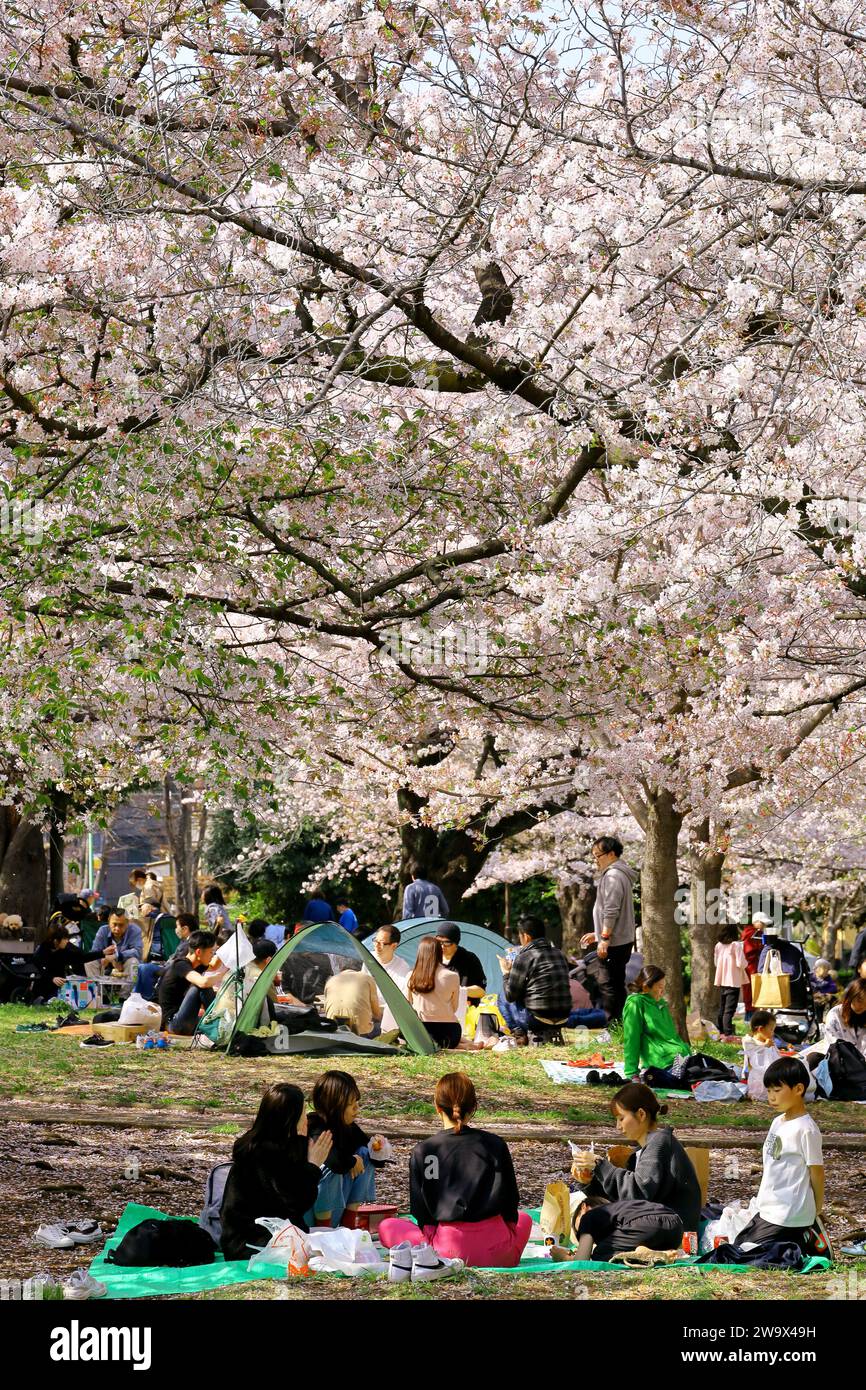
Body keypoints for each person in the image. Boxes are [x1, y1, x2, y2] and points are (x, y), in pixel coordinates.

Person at [378, 1073, 532, 1268]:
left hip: (445, 1251)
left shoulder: (424, 1150)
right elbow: (511, 1202)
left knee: (387, 1226)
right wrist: (508, 1234)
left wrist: (431, 1237)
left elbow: (421, 1212)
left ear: (437, 1106)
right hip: (498, 1251)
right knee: (525, 1218)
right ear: (474, 1106)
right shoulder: (495, 1144)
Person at [220, 1083, 333, 1260]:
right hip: (249, 1243)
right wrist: (313, 1166)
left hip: (265, 1236)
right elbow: (296, 1204)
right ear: (290, 1118)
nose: (306, 1118)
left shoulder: (283, 1143)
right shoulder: (263, 1153)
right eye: (302, 1112)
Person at [733, 1057, 824, 1253]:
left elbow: (817, 1172)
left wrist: (815, 1210)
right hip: (769, 1207)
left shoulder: (806, 1129)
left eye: (777, 1090)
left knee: (748, 1253)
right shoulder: (778, 1122)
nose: (771, 1097)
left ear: (798, 1089)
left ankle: (805, 1236)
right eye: (768, 1091)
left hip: (789, 1213)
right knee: (737, 1244)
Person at [586, 1082, 702, 1233]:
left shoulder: (660, 1142)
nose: (618, 1126)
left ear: (641, 1114)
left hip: (674, 1231)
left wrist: (600, 1165)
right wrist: (589, 1181)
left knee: (598, 1233)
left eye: (621, 1118)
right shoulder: (642, 1150)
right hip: (656, 1225)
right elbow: (622, 1198)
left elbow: (638, 1191)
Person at [305, 1071, 387, 1227]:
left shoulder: (347, 1126)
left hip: (338, 1206)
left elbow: (373, 1158)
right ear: (334, 1105)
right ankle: (325, 1231)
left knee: (365, 1153)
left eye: (356, 1101)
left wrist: (378, 1150)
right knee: (329, 1169)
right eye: (351, 1104)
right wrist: (352, 1161)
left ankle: (349, 1223)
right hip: (312, 1215)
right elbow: (333, 1162)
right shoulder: (315, 1124)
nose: (357, 1108)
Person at [578, 837, 638, 1021]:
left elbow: (611, 910)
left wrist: (604, 938)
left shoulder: (613, 876)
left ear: (611, 854)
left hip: (614, 942)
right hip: (620, 939)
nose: (596, 860)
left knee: (608, 984)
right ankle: (620, 1025)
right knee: (615, 983)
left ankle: (614, 1026)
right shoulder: (620, 874)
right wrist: (597, 935)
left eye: (598, 856)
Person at [497, 915, 572, 1044]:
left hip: (537, 1019)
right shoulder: (559, 954)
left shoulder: (525, 957)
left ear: (526, 937)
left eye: (520, 937)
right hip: (564, 1018)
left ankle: (519, 1033)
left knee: (502, 997)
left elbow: (510, 995)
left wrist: (506, 973)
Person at [554, 1193, 684, 1263]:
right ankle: (662, 1253)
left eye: (580, 1232)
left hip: (645, 1226)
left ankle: (642, 1255)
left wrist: (564, 1257)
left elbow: (581, 1261)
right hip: (676, 1227)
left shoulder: (588, 1217)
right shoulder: (621, 1209)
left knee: (599, 1254)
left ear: (584, 1207)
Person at [621, 965, 690, 1085]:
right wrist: (631, 1073)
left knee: (712, 1072)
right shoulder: (635, 1003)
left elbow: (672, 1035)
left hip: (681, 1056)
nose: (662, 991)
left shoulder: (661, 1003)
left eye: (664, 987)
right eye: (659, 987)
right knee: (686, 1081)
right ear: (646, 986)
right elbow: (631, 1038)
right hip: (661, 1062)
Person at [157, 930, 218, 1034]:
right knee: (201, 986)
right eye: (211, 952)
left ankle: (218, 1024)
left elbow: (214, 965)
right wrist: (222, 976)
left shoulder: (198, 965)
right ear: (198, 952)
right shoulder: (180, 965)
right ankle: (218, 1023)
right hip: (173, 1023)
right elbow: (203, 983)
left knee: (206, 1022)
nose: (212, 955)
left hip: (184, 1020)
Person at [407, 935, 461, 1049]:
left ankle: (466, 1044)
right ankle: (467, 1044)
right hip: (450, 1033)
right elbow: (454, 1008)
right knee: (444, 1043)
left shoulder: (411, 976)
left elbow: (408, 1005)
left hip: (422, 1033)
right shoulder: (452, 976)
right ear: (439, 952)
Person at [29, 924, 103, 1003]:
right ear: (56, 941)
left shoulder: (66, 948)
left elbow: (82, 957)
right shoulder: (42, 950)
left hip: (59, 986)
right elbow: (39, 968)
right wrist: (52, 978)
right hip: (43, 984)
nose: (67, 941)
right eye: (65, 939)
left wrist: (102, 953)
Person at [364, 924, 411, 1033]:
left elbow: (400, 1001)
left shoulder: (402, 967)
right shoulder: (368, 959)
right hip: (366, 1012)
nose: (377, 946)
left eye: (382, 943)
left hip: (386, 1017)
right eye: (375, 941)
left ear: (394, 946)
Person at [84, 910, 143, 988]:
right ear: (109, 921)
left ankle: (125, 996)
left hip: (124, 963)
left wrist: (117, 956)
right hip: (106, 962)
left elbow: (137, 951)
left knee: (133, 962)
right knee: (90, 962)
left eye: (121, 925)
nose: (117, 928)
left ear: (127, 923)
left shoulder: (135, 930)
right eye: (114, 924)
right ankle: (97, 992)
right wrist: (110, 960)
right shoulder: (103, 930)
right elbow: (95, 952)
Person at [322, 967, 383, 1038]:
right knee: (383, 1027)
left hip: (334, 1028)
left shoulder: (331, 980)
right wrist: (379, 1018)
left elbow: (326, 1007)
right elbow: (375, 1009)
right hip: (360, 1031)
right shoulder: (367, 978)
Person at [815, 979, 866, 1060]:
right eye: (860, 1001)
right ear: (851, 995)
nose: (862, 1006)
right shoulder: (835, 1015)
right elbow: (833, 1045)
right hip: (839, 1062)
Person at [714, 924, 748, 1039]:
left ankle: (721, 1031)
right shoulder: (736, 945)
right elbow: (741, 963)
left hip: (722, 979)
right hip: (733, 980)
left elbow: (716, 962)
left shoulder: (719, 945)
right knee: (729, 1009)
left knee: (723, 1008)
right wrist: (746, 963)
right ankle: (728, 1033)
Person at [742, 1010, 784, 1101]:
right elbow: (752, 1052)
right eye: (771, 1029)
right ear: (760, 1029)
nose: (773, 1033)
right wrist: (765, 1046)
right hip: (759, 1080)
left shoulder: (769, 1042)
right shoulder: (749, 1041)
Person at [436, 923, 486, 998]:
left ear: (456, 943)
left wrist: (458, 990)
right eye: (439, 942)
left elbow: (481, 991)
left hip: (465, 1006)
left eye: (447, 943)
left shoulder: (469, 959)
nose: (442, 946)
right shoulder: (432, 956)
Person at [741, 911, 771, 1019]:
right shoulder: (752, 933)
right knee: (751, 990)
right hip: (751, 966)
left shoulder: (755, 933)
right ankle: (750, 1017)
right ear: (756, 922)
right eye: (762, 923)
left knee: (754, 990)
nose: (764, 926)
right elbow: (748, 951)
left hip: (755, 965)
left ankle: (753, 1015)